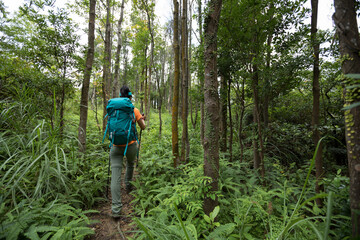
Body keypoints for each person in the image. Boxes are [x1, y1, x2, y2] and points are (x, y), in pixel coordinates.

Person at [110, 86, 146, 218]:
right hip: (130, 145)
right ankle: (128, 185)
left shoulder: (114, 108)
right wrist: (142, 118)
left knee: (115, 175)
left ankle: (116, 209)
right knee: (130, 164)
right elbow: (143, 127)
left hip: (115, 146)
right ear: (130, 97)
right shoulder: (134, 109)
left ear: (120, 96)